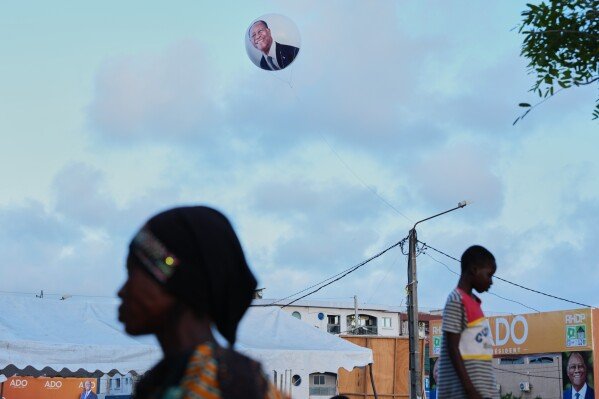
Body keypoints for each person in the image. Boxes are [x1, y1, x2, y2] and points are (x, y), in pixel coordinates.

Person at [118, 206, 284, 399]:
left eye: (132, 274)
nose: (122, 291)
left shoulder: (223, 383)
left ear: (177, 284)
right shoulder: (162, 381)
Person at [437, 245, 497, 399]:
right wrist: (470, 390)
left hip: (483, 392)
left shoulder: (475, 303)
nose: (491, 281)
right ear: (474, 270)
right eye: (489, 275)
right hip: (465, 394)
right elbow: (452, 348)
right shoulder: (456, 300)